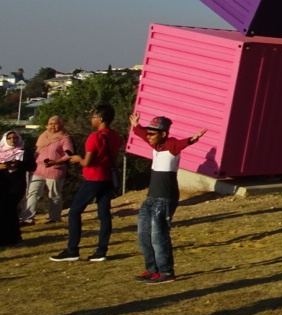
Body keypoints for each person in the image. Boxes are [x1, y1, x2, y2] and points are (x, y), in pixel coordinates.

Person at [131, 115, 207, 283]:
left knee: (158, 237)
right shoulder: (155, 144)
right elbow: (143, 134)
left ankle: (166, 271)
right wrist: (137, 126)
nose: (148, 136)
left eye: (152, 133)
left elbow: (181, 144)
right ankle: (152, 269)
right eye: (148, 133)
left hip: (165, 198)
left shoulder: (172, 146)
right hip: (150, 198)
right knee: (143, 235)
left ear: (163, 134)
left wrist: (193, 139)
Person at [50, 103, 121, 262]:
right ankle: (101, 250)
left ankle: (72, 249)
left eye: (94, 117)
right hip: (107, 177)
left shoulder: (94, 136)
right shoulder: (115, 136)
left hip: (93, 178)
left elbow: (87, 162)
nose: (92, 119)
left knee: (74, 212)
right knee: (104, 214)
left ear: (100, 119)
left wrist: (77, 159)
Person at [25, 116, 74, 224]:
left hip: (55, 169)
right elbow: (37, 150)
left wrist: (56, 161)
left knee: (54, 194)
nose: (53, 126)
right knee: (33, 192)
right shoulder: (43, 136)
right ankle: (28, 218)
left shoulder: (65, 137)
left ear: (61, 125)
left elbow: (69, 154)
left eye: (55, 123)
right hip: (39, 169)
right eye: (50, 123)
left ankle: (54, 218)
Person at [0, 132, 25, 247]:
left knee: (10, 209)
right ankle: (5, 238)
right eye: (9, 138)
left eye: (15, 137)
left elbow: (32, 166)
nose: (12, 140)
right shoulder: (0, 150)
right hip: (2, 184)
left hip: (16, 184)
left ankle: (14, 237)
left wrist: (18, 164)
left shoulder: (23, 150)